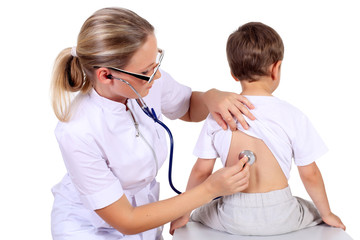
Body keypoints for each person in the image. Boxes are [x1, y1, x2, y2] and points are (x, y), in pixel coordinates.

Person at [50, 7, 254, 240]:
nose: (156, 76)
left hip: (143, 219)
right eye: (146, 71)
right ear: (106, 75)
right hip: (91, 229)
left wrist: (211, 97)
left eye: (157, 63)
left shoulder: (146, 83)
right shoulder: (77, 131)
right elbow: (126, 221)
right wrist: (209, 190)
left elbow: (187, 107)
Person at [170, 22, 345, 236]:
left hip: (232, 215)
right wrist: (326, 214)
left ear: (233, 74)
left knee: (200, 214)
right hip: (282, 213)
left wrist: (184, 214)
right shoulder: (292, 115)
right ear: (275, 68)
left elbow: (201, 171)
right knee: (311, 210)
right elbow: (310, 174)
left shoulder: (218, 116)